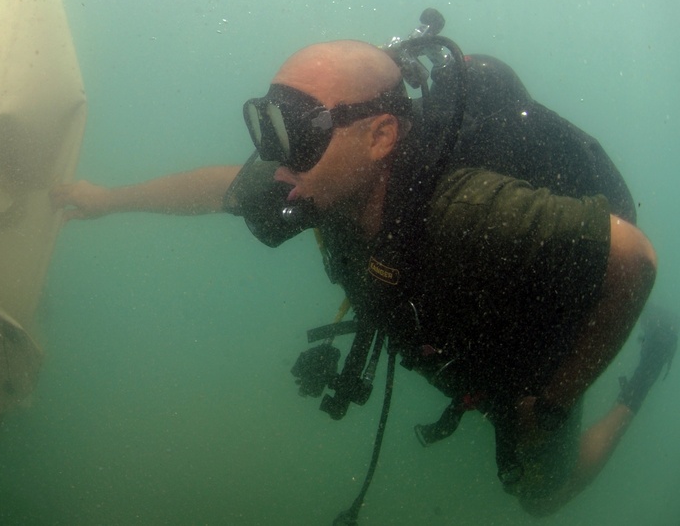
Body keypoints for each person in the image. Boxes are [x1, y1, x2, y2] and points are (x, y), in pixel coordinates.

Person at [51, 39, 673, 516]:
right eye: (269, 128)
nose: (277, 162)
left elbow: (634, 258)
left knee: (539, 494)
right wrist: (107, 201)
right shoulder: (314, 180)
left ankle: (645, 374)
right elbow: (221, 189)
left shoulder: (463, 212)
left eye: (301, 133)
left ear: (380, 137)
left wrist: (556, 400)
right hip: (450, 338)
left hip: (536, 352)